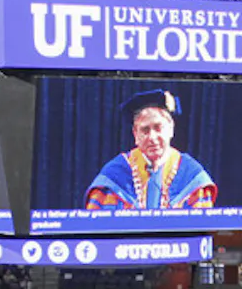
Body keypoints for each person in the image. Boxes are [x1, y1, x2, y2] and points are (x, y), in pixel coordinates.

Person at [85, 90, 217, 211]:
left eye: (158, 128)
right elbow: (94, 226)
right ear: (135, 134)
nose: (152, 138)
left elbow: (201, 230)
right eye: (145, 130)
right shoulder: (113, 176)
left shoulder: (191, 175)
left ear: (171, 129)